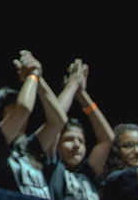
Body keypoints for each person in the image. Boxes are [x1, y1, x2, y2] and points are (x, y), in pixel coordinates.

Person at [0, 50, 68, 197]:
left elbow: (58, 121)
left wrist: (39, 80)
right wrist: (33, 75)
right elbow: (24, 108)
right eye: (12, 112)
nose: (24, 119)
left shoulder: (27, 147)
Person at [45, 60, 112, 200]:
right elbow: (55, 120)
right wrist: (72, 86)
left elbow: (107, 138)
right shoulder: (52, 168)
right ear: (56, 142)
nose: (77, 145)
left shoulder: (87, 175)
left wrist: (82, 96)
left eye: (81, 141)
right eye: (69, 139)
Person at [101, 123, 138, 200]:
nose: (137, 151)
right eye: (129, 145)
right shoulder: (114, 179)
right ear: (116, 149)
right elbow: (131, 176)